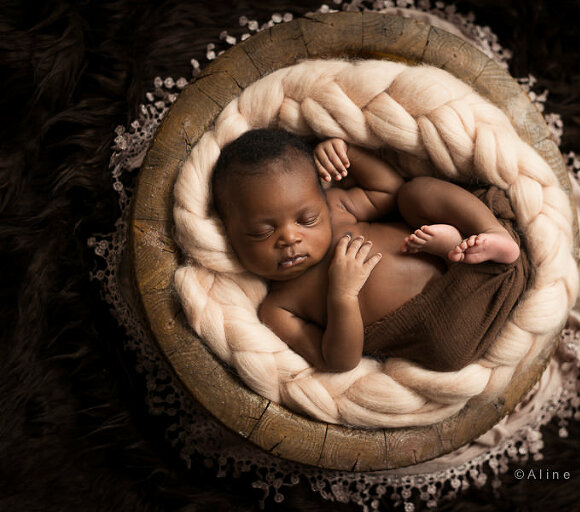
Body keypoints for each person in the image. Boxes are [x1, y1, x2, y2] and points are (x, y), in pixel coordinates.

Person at [212, 128, 520, 372]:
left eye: (307, 219)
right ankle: (455, 250)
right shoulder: (278, 309)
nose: (290, 237)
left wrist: (346, 153)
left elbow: (389, 190)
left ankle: (490, 234)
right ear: (230, 235)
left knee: (415, 193)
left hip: (487, 268)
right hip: (444, 324)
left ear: (322, 198)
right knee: (444, 351)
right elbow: (338, 360)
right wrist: (342, 295)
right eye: (262, 232)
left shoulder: (335, 210)